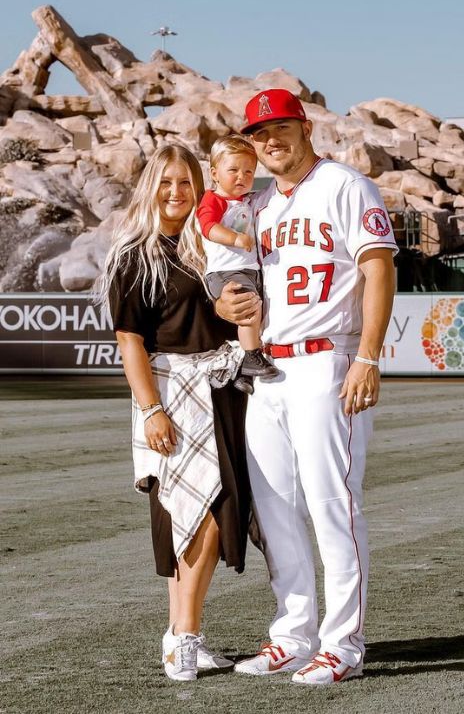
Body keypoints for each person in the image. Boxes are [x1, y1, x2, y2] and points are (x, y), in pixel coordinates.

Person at [216, 89, 398, 685]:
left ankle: (343, 645)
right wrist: (229, 303)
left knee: (331, 507)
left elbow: (378, 268)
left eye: (280, 128)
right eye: (259, 133)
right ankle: (292, 635)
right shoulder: (263, 205)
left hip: (327, 362)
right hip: (270, 367)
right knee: (276, 511)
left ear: (305, 126)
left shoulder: (345, 185)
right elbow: (248, 288)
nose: (271, 140)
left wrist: (367, 357)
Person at [100, 144, 251, 682]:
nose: (176, 192)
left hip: (223, 387)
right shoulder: (135, 254)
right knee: (197, 513)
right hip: (170, 392)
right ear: (150, 186)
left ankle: (182, 634)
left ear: (199, 186)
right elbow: (129, 340)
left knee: (207, 511)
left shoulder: (208, 243)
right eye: (166, 181)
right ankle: (184, 635)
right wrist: (151, 410)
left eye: (186, 182)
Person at [196, 134, 278, 394]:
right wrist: (235, 238)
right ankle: (252, 356)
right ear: (215, 173)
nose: (241, 177)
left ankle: (243, 372)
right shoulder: (214, 200)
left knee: (257, 312)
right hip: (225, 271)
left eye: (248, 171)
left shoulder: (248, 201)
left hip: (248, 269)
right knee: (249, 311)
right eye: (233, 170)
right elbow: (208, 227)